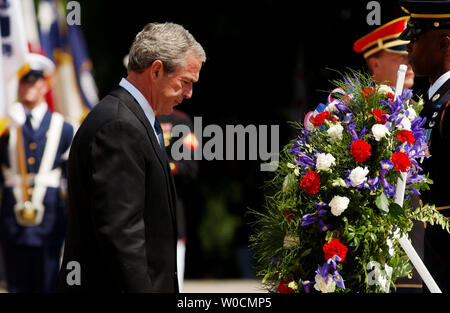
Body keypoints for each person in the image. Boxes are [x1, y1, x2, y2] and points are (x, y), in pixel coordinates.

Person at [57, 22, 206, 293]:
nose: (189, 93)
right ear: (157, 70)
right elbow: (122, 238)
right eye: (185, 82)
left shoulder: (134, 119)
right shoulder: (119, 126)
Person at [0, 53, 74, 292]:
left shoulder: (63, 127)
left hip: (50, 219)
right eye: (24, 81)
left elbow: (68, 177)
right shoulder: (6, 125)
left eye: (34, 81)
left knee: (48, 283)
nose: (28, 87)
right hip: (13, 219)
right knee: (16, 284)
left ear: (44, 84)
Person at [399, 0, 450, 293]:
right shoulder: (431, 104)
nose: (408, 47)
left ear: (444, 44)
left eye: (415, 39)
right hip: (431, 259)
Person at [158, 110, 199, 292]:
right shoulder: (139, 113)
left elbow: (190, 167)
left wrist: (163, 165)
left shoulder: (181, 121)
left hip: (172, 205)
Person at [353, 16, 415, 89]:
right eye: (401, 57)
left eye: (410, 56)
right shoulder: (353, 100)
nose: (410, 63)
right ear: (375, 65)